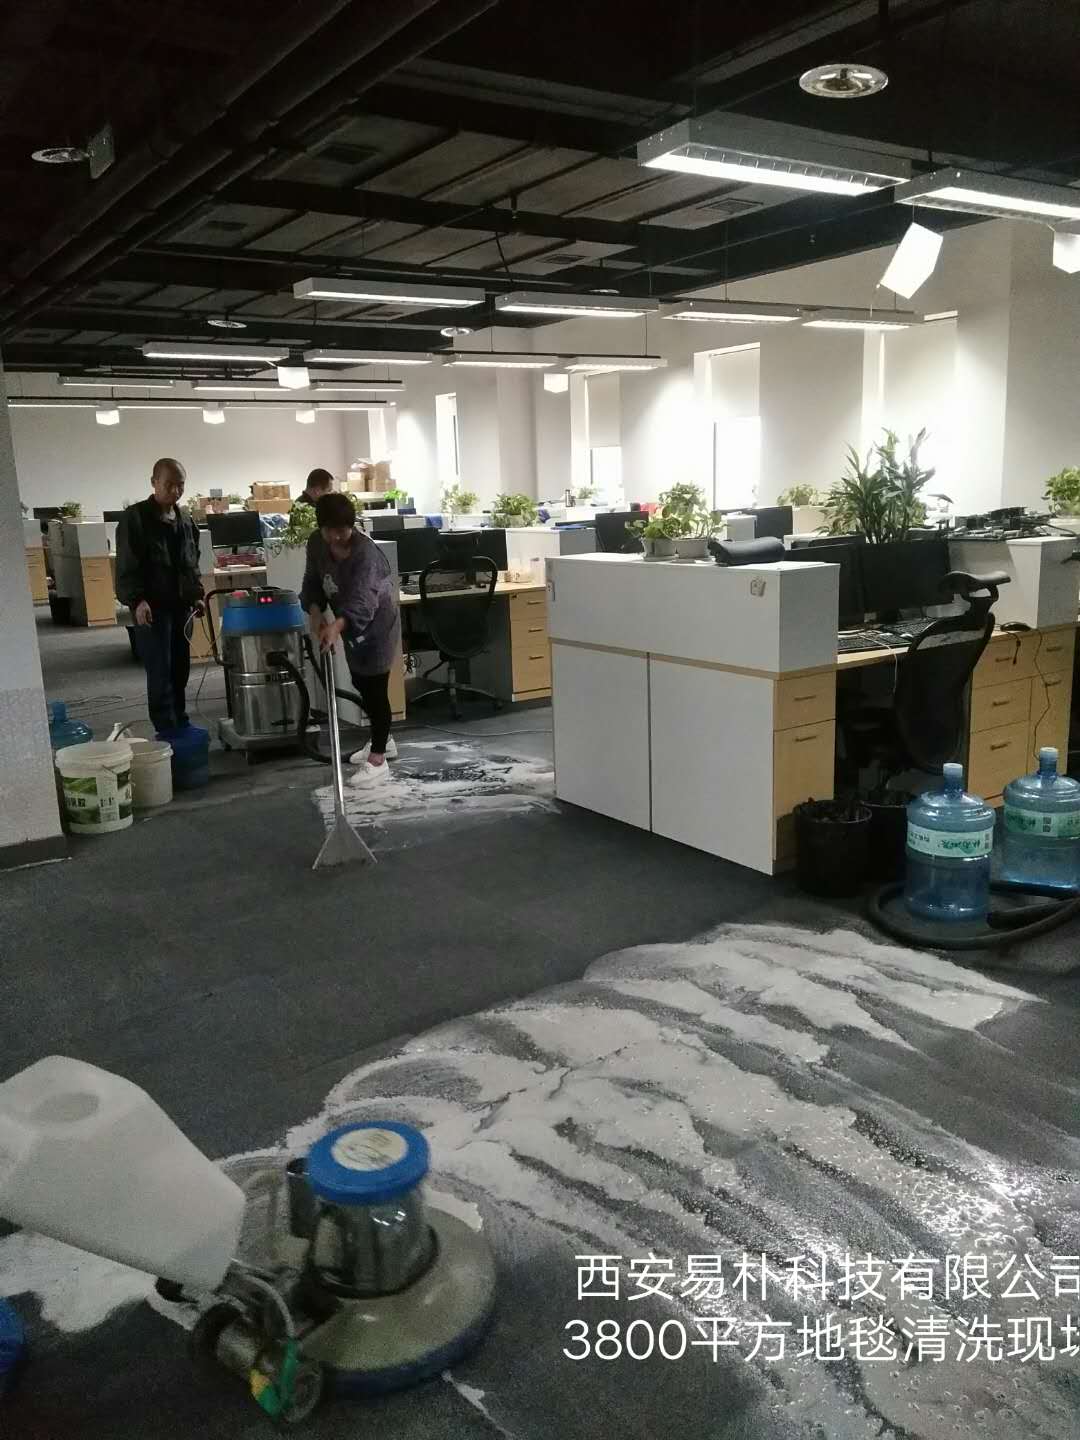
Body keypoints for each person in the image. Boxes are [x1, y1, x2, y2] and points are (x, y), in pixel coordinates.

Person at [300, 491, 400, 785]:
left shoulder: (366, 554)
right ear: (321, 527)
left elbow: (363, 602)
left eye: (342, 531)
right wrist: (316, 615)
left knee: (375, 688)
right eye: (330, 530)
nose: (336, 537)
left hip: (377, 625)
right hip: (348, 625)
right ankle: (384, 739)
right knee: (360, 681)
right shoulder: (317, 543)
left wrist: (335, 627)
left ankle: (378, 759)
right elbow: (312, 581)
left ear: (351, 526)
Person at [115, 458, 204, 734]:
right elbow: (127, 564)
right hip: (152, 607)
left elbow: (191, 561)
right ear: (154, 482)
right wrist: (137, 600)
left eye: (180, 485)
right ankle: (166, 727)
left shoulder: (185, 519)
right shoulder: (135, 518)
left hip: (181, 606)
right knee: (160, 669)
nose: (176, 491)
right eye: (169, 485)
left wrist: (196, 594)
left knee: (180, 668)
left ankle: (180, 719)